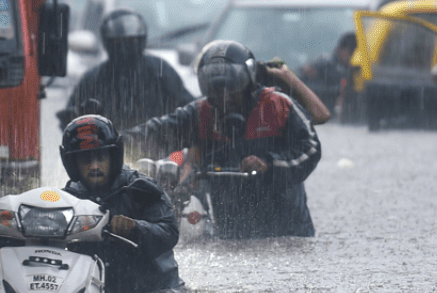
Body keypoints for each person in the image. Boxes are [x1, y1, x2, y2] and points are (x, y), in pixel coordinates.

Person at [0, 114, 181, 293]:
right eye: (86, 159)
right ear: (72, 163)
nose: (94, 165)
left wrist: (135, 228)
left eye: (101, 157)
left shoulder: (141, 189)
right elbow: (29, 237)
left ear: (114, 156)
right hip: (94, 292)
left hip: (152, 292)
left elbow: (169, 232)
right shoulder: (68, 199)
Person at [125, 40, 321, 239]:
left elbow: (311, 149)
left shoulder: (278, 104)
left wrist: (269, 164)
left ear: (249, 81)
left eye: (231, 87)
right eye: (214, 88)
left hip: (290, 232)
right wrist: (114, 143)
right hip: (232, 234)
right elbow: (157, 133)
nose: (223, 97)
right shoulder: (200, 113)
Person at [58, 9, 195, 131]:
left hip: (159, 151)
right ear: (109, 43)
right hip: (110, 153)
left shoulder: (160, 71)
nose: (127, 48)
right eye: (120, 42)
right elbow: (70, 123)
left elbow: (188, 107)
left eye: (133, 41)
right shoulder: (93, 78)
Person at [298, 31, 357, 119]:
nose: (352, 55)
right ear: (340, 49)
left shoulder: (350, 69)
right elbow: (304, 72)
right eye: (350, 52)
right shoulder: (326, 63)